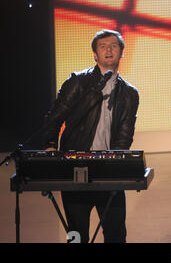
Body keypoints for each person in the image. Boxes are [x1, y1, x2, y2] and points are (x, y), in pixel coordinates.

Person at [42, 30, 139, 243]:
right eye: (103, 46)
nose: (109, 49)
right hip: (76, 168)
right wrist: (49, 147)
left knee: (116, 234)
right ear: (95, 54)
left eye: (114, 45)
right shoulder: (79, 82)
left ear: (121, 53)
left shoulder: (129, 94)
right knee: (77, 235)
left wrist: (117, 166)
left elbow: (125, 136)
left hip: (108, 170)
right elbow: (55, 117)